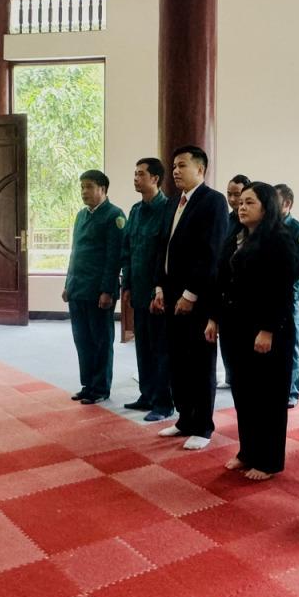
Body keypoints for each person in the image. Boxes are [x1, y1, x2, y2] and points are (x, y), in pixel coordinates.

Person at [205, 182, 299, 480]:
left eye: (250, 202)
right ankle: (247, 451)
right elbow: (220, 280)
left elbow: (281, 290)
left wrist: (268, 329)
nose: (242, 207)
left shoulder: (279, 239)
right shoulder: (235, 235)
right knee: (244, 393)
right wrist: (214, 318)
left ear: (266, 207)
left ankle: (269, 460)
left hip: (268, 329)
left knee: (267, 397)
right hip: (236, 325)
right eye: (241, 202)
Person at [151, 145, 229, 450]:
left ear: (200, 169)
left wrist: (190, 294)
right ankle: (184, 418)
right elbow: (163, 247)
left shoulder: (213, 202)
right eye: (174, 166)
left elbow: (211, 253)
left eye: (182, 165)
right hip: (170, 294)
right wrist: (160, 288)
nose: (175, 171)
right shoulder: (173, 202)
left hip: (197, 298)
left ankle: (203, 426)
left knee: (199, 362)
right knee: (177, 360)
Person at [63, 170, 126, 405]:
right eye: (82, 187)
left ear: (103, 189)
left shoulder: (114, 215)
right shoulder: (81, 215)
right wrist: (68, 284)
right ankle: (87, 384)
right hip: (78, 288)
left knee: (100, 341)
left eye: (89, 186)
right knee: (82, 340)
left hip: (98, 291)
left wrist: (107, 290)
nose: (84, 192)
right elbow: (75, 253)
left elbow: (114, 257)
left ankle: (100, 388)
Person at [121, 158, 174, 421]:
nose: (135, 178)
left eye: (140, 174)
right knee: (142, 347)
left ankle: (164, 403)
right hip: (139, 291)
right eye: (135, 173)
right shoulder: (135, 210)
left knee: (161, 349)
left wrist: (159, 289)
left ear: (155, 178)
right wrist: (127, 284)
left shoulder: (168, 210)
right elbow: (128, 250)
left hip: (158, 293)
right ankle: (147, 394)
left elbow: (166, 254)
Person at [274, 183, 299, 408]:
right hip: (270, 294)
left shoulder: (298, 230)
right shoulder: (268, 226)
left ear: (287, 203)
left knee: (291, 342)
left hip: (289, 293)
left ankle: (291, 391)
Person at [220, 174, 251, 389]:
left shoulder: (251, 222)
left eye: (237, 194)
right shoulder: (227, 219)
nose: (232, 199)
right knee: (227, 339)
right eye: (229, 194)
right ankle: (231, 377)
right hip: (226, 289)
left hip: (244, 292)